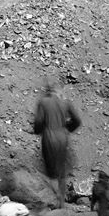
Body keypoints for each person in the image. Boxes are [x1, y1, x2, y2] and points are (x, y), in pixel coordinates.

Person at [33, 78, 82, 207]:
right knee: (62, 170)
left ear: (48, 91)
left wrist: (37, 130)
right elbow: (77, 120)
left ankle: (52, 202)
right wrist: (67, 127)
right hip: (63, 137)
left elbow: (38, 123)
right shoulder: (65, 102)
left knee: (50, 169)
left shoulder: (43, 102)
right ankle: (61, 203)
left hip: (49, 136)